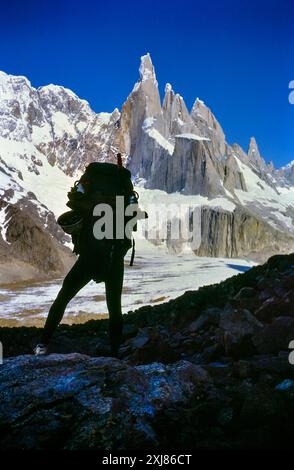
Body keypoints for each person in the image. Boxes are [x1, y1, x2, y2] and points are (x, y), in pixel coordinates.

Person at [34, 160, 133, 358]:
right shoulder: (123, 186)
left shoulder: (90, 183)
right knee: (115, 306)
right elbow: (131, 218)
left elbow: (73, 199)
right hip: (113, 256)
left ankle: (42, 345)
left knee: (63, 297)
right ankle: (115, 353)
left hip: (89, 255)